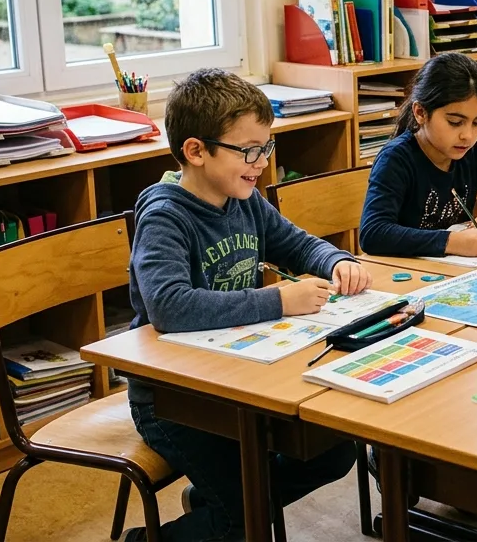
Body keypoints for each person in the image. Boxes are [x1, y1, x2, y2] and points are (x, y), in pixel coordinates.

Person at [126, 69, 370, 541]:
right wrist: (277, 299)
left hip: (235, 379)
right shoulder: (164, 216)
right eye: (249, 151)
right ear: (196, 151)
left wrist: (337, 260)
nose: (260, 162)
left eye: (266, 147)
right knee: (243, 520)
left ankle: (215, 503)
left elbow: (298, 245)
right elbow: (170, 307)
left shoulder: (245, 200)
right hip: (172, 400)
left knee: (334, 450)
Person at [359, 52, 477, 258]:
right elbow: (373, 233)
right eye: (455, 122)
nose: (467, 136)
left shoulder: (470, 153)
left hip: (450, 269)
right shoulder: (396, 159)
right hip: (407, 270)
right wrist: (450, 242)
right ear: (420, 113)